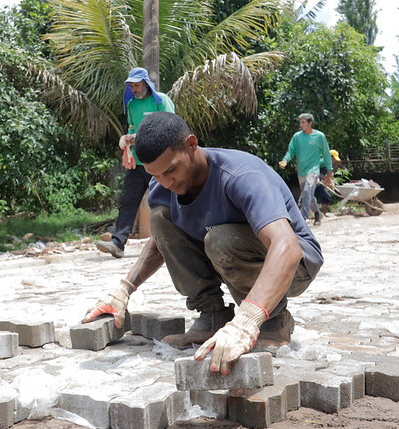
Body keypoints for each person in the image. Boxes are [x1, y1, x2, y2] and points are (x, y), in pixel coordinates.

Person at [82, 112, 324, 374]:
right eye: (156, 175)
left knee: (219, 239)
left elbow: (286, 247)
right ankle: (212, 317)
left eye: (171, 170)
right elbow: (161, 240)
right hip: (232, 251)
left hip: (295, 266)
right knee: (161, 217)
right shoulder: (164, 185)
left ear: (191, 145)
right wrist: (124, 289)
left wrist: (247, 320)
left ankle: (275, 321)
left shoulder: (241, 176)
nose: (165, 182)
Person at [96, 68, 175, 258]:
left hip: (159, 162)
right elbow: (132, 128)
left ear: (146, 84)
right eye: (131, 86)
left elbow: (170, 126)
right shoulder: (131, 105)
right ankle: (118, 243)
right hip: (138, 162)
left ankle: (176, 242)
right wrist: (127, 142)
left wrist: (138, 136)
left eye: (137, 85)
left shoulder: (161, 100)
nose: (134, 89)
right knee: (127, 201)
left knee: (167, 202)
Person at [279, 113, 334, 226]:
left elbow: (326, 154)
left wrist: (329, 170)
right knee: (308, 195)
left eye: (303, 122)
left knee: (307, 191)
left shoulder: (320, 136)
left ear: (310, 123)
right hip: (301, 171)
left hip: (313, 171)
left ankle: (302, 218)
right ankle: (317, 213)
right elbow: (291, 151)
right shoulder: (297, 137)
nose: (301, 125)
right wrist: (285, 160)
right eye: (300, 122)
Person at [313, 149, 341, 216]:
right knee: (308, 199)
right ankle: (304, 216)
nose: (335, 161)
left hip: (318, 184)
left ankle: (323, 215)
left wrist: (331, 183)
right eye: (334, 159)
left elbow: (328, 175)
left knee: (327, 197)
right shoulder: (322, 161)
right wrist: (316, 178)